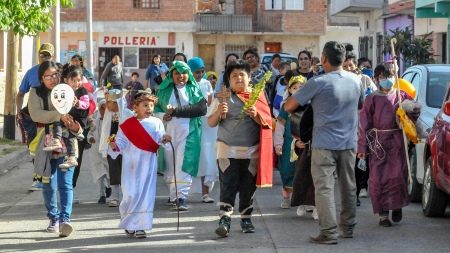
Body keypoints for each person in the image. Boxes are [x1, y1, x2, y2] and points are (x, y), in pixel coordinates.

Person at [284, 41, 364, 244]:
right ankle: (347, 227)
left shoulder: (318, 82)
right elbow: (360, 104)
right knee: (348, 185)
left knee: (324, 188)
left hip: (323, 144)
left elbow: (289, 106)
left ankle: (328, 232)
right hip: (349, 142)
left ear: (325, 59)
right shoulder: (356, 80)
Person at [207, 59, 273, 237]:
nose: (238, 78)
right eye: (234, 75)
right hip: (227, 152)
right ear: (228, 79)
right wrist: (219, 112)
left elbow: (270, 123)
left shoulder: (257, 96)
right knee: (227, 185)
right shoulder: (222, 95)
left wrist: (257, 115)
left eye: (242, 75)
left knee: (248, 187)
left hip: (251, 152)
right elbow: (211, 123)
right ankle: (224, 219)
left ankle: (246, 219)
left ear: (249, 77)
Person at [357, 63, 421, 227]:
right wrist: (362, 148)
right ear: (377, 79)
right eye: (384, 77)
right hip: (377, 143)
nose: (388, 80)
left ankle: (397, 205)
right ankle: (383, 214)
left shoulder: (402, 95)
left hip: (397, 141)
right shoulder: (371, 98)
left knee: (398, 175)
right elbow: (364, 124)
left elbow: (414, 111)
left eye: (391, 76)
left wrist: (407, 115)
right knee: (379, 179)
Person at [28, 61, 83, 237]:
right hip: (47, 143)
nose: (52, 79)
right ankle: (53, 218)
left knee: (66, 184)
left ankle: (65, 219)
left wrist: (77, 128)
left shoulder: (68, 90)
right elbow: (37, 114)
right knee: (49, 183)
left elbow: (80, 115)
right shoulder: (36, 93)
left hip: (68, 143)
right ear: (41, 78)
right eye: (48, 76)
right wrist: (59, 114)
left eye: (55, 75)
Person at [109, 91, 171, 239]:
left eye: (151, 105)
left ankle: (141, 227)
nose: (149, 108)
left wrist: (165, 138)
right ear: (135, 107)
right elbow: (120, 144)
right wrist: (114, 145)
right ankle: (129, 222)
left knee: (145, 194)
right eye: (145, 105)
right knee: (130, 194)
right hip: (131, 164)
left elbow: (161, 138)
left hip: (148, 165)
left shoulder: (156, 122)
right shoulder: (127, 125)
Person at [154, 61, 207, 211]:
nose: (181, 76)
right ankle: (173, 196)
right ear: (172, 75)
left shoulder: (192, 88)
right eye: (177, 73)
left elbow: (201, 108)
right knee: (170, 165)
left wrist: (177, 111)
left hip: (188, 132)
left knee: (183, 163)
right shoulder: (164, 90)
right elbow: (155, 109)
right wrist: (162, 115)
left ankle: (181, 197)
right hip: (168, 132)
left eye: (184, 73)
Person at [16, 43, 54, 191]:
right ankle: (37, 177)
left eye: (47, 55)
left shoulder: (56, 71)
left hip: (51, 115)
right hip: (34, 116)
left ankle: (55, 180)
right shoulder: (31, 73)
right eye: (42, 55)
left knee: (54, 149)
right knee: (34, 147)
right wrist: (18, 113)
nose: (44, 58)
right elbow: (20, 94)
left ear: (52, 56)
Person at [343, 52, 378, 206]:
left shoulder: (365, 79)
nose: (348, 68)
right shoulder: (339, 81)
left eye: (350, 65)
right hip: (343, 128)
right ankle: (348, 194)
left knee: (359, 161)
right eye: (344, 66)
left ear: (355, 66)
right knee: (346, 165)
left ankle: (357, 192)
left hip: (361, 128)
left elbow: (375, 98)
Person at [44, 65, 89, 170]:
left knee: (70, 137)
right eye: (73, 81)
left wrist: (78, 103)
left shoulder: (82, 91)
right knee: (57, 123)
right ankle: (56, 140)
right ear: (65, 80)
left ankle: (72, 157)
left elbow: (86, 104)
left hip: (76, 120)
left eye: (79, 80)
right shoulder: (62, 89)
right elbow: (55, 101)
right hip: (64, 117)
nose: (76, 83)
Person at [187, 57, 218, 203]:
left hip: (206, 125)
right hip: (192, 124)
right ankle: (180, 193)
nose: (199, 75)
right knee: (192, 158)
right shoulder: (186, 85)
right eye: (196, 72)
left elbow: (210, 102)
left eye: (202, 71)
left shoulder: (206, 84)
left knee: (206, 157)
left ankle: (206, 193)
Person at [274, 75, 306, 209]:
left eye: (301, 87)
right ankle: (286, 195)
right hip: (288, 146)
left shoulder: (309, 107)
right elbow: (280, 128)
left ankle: (304, 200)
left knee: (304, 172)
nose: (298, 90)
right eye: (295, 87)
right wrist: (278, 144)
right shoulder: (286, 108)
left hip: (305, 145)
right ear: (290, 90)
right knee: (288, 171)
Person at [99, 89, 134, 207]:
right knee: (113, 172)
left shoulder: (128, 114)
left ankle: (127, 196)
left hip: (125, 149)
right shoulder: (108, 116)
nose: (107, 105)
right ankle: (115, 197)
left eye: (109, 102)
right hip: (112, 148)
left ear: (116, 102)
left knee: (126, 172)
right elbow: (105, 131)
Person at [87, 99, 111, 204]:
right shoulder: (94, 122)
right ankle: (101, 195)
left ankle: (109, 186)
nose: (104, 111)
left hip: (107, 152)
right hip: (96, 152)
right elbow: (89, 134)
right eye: (102, 109)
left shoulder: (111, 122)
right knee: (100, 174)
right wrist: (90, 138)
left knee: (109, 172)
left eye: (106, 109)